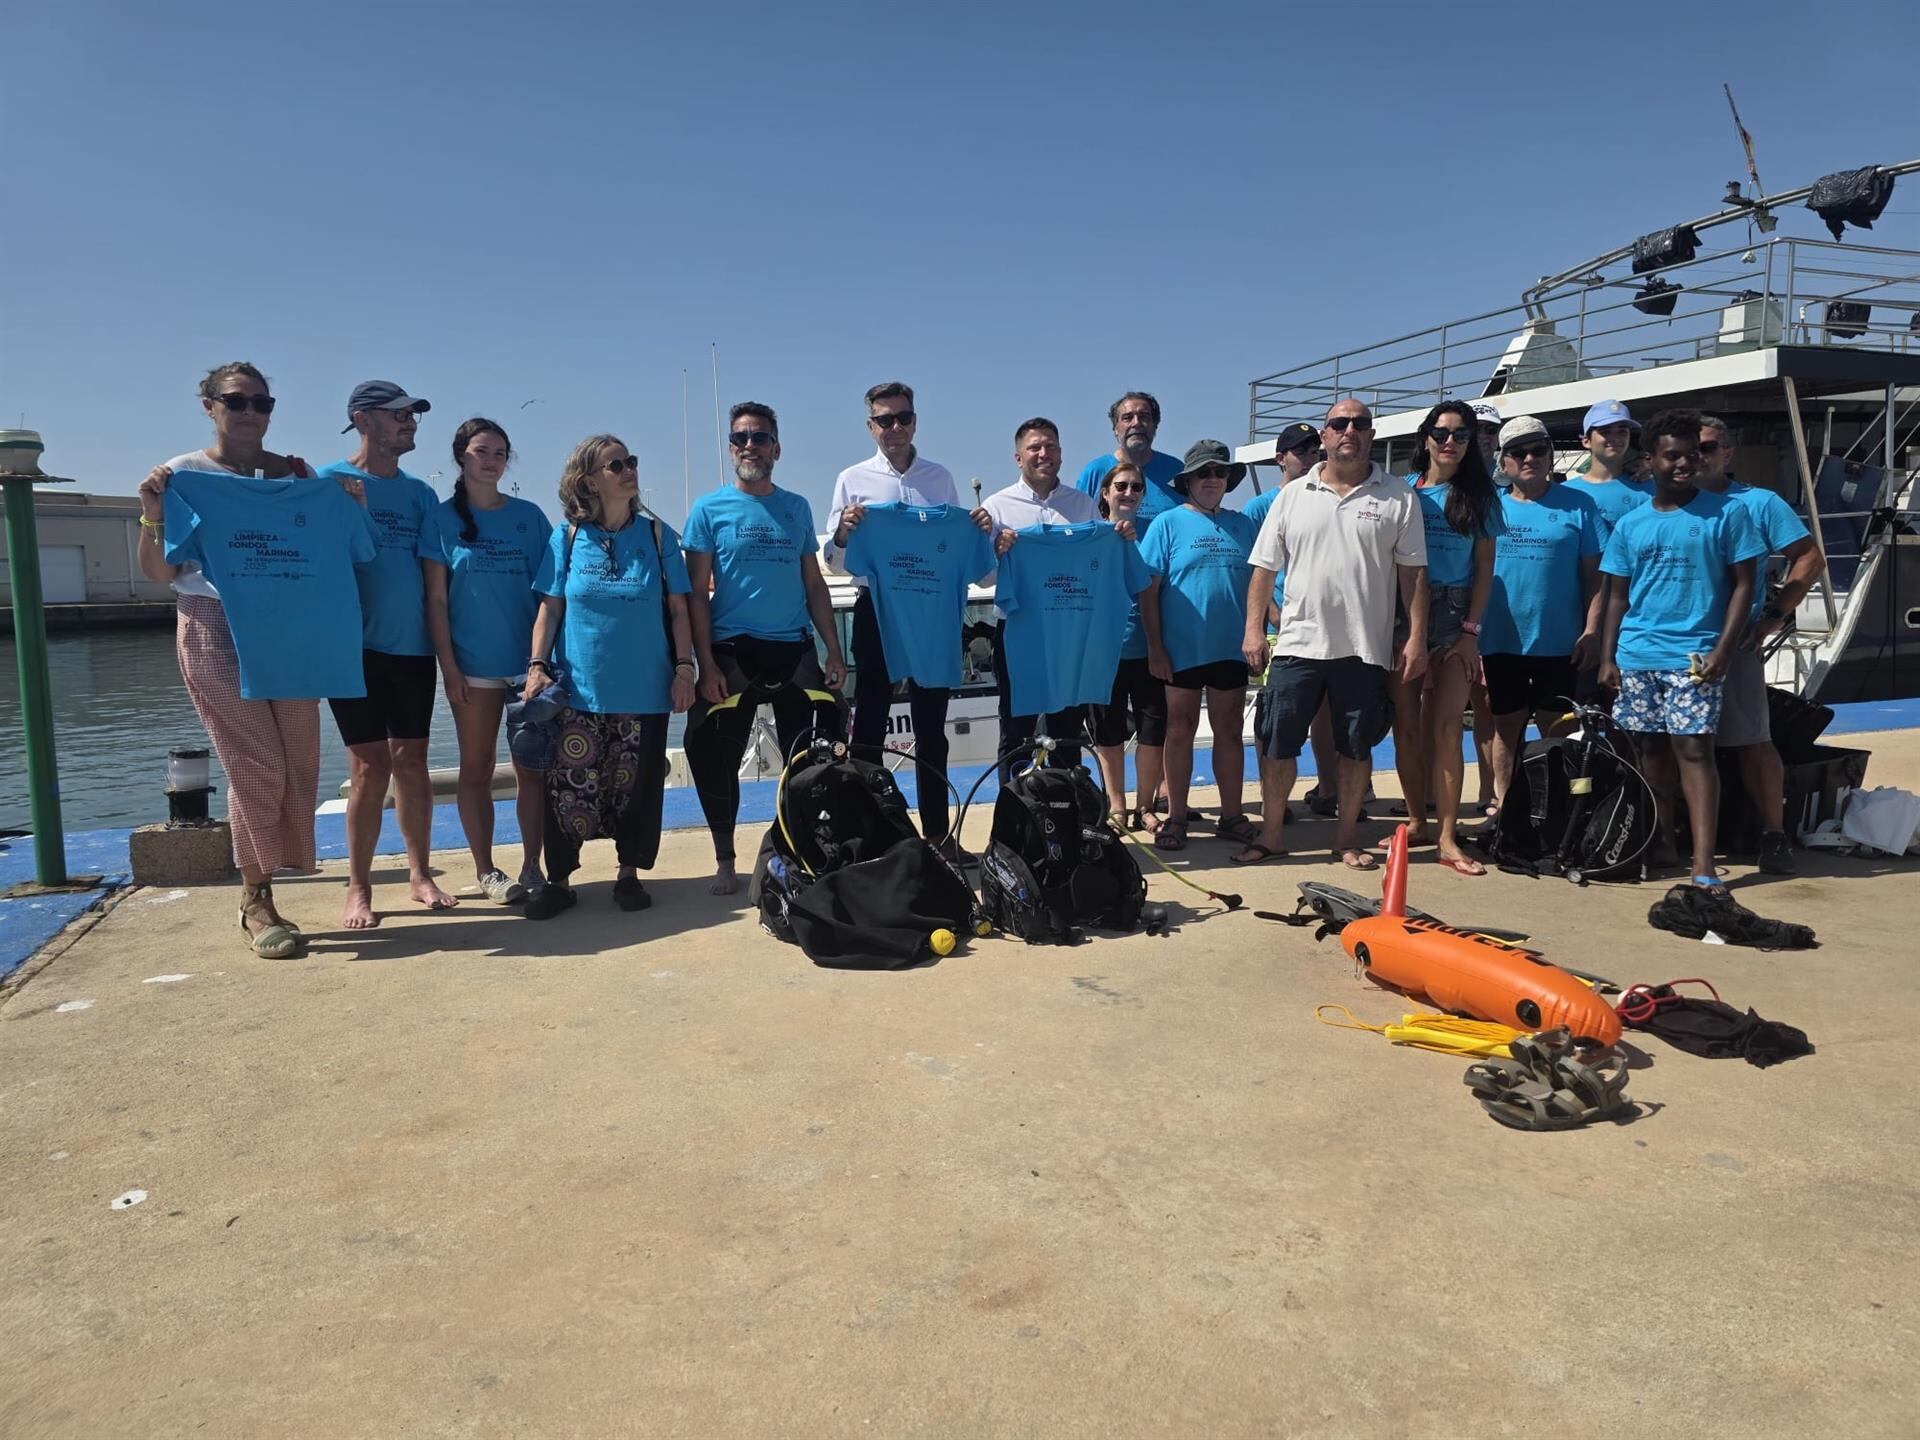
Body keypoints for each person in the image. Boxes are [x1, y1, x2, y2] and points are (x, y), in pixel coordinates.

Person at [136, 362, 357, 958]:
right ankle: (255, 900)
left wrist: (340, 501)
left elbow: (330, 546)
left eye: (263, 403)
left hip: (290, 628)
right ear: (209, 405)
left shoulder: (292, 474)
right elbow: (159, 572)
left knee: (299, 761)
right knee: (255, 765)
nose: (252, 413)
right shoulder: (184, 475)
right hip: (215, 625)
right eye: (238, 401)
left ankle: (274, 874)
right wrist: (154, 513)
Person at [1241, 399, 1427, 870]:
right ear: (1325, 435)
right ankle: (1272, 834)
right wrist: (1253, 630)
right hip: (1298, 644)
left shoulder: (1399, 495)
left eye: (1360, 424)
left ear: (1371, 434)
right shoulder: (1291, 495)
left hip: (1364, 646)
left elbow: (1414, 574)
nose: (1350, 430)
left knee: (1355, 747)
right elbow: (1264, 568)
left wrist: (1417, 636)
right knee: (1279, 744)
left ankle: (1346, 839)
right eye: (1339, 423)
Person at [523, 436, 695, 919]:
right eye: (615, 465)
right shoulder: (568, 537)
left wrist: (685, 668)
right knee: (567, 787)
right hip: (578, 688)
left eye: (631, 462)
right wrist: (537, 667)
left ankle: (628, 875)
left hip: (644, 687)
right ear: (589, 480)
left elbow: (679, 610)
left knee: (636, 787)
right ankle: (559, 881)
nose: (628, 471)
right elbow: (550, 608)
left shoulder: (659, 537)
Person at [683, 402, 848, 895]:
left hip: (793, 649)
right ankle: (725, 859)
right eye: (739, 438)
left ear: (776, 447)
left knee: (812, 754)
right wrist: (703, 662)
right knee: (712, 751)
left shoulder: (796, 507)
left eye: (758, 437)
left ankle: (800, 846)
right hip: (732, 652)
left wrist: (833, 651)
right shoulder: (708, 509)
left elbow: (814, 583)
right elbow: (694, 594)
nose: (748, 446)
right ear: (730, 447)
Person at [1598, 409, 1763, 889]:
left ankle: (1704, 862)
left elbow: (1744, 586)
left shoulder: (1729, 514)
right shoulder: (1631, 524)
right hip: (1638, 655)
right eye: (1672, 456)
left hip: (1693, 657)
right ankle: (1662, 841)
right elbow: (1618, 596)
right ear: (1650, 461)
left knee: (1695, 752)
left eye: (1692, 454)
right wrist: (1609, 657)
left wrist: (1723, 650)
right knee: (1649, 752)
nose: (1684, 464)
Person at [823, 381, 991, 848]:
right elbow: (836, 564)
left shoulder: (940, 479)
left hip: (933, 612)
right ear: (870, 425)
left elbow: (954, 547)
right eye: (884, 419)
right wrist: (841, 534)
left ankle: (938, 834)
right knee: (871, 724)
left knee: (932, 728)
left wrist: (974, 527)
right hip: (877, 609)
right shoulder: (850, 479)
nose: (894, 427)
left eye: (902, 417)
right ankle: (874, 835)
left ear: (915, 420)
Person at [318, 380, 452, 930]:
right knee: (370, 767)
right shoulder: (328, 483)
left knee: (412, 762)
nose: (410, 423)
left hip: (413, 648)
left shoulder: (420, 495)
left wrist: (449, 653)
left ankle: (420, 875)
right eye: (399, 415)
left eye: (413, 415)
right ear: (363, 420)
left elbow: (435, 578)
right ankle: (359, 887)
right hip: (353, 649)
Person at [421, 417, 552, 906]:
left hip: (527, 669)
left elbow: (549, 596)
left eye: (500, 452)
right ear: (461, 456)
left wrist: (542, 662)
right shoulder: (439, 520)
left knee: (530, 770)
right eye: (482, 451)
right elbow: (435, 601)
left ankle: (533, 865)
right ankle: (486, 870)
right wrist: (448, 667)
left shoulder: (530, 517)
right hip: (471, 666)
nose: (492, 460)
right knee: (474, 768)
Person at [1695, 414, 1823, 874]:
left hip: (1736, 648)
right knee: (1677, 747)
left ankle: (1773, 833)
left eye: (1708, 447)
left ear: (1727, 453)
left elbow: (1808, 557)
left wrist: (1774, 616)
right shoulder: (1663, 501)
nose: (1698, 456)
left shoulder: (1759, 503)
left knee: (1753, 742)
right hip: (1671, 646)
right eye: (1691, 448)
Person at [1389, 402, 1501, 875]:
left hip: (1455, 614)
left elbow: (1484, 569)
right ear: (1426, 438)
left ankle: (1449, 836)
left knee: (1448, 727)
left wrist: (1472, 632)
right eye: (1440, 433)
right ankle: (1418, 819)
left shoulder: (1480, 497)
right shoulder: (1403, 493)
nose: (1449, 441)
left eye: (1459, 434)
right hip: (1401, 609)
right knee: (1406, 726)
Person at [1138, 440, 1260, 853]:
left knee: (1230, 730)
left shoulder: (1243, 524)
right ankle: (1176, 816)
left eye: (1219, 473)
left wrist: (1265, 629)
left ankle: (1231, 815)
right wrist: (1156, 647)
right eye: (1204, 473)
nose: (1212, 479)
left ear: (1228, 480)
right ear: (1188, 480)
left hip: (1232, 647)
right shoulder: (1167, 524)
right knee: (1179, 731)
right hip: (1181, 648)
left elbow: (1261, 585)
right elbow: (1148, 592)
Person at [1478, 416, 1603, 810]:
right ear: (1504, 461)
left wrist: (1592, 631)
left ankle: (1557, 812)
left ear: (1550, 455)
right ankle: (1507, 808)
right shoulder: (1489, 506)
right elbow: (1472, 574)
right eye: (1518, 452)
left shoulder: (1580, 505)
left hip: (1560, 643)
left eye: (1538, 450)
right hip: (1501, 641)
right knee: (1506, 729)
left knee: (1558, 730)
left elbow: (1596, 578)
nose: (1529, 458)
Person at [982, 418, 1101, 776]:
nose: (1043, 453)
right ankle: (1014, 824)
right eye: (1034, 447)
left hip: (1070, 635)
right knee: (1017, 731)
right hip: (1019, 633)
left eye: (1050, 446)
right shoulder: (997, 506)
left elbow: (1096, 567)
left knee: (1067, 732)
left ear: (1061, 454)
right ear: (1019, 457)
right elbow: (983, 577)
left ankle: (1067, 817)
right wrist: (998, 553)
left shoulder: (1083, 506)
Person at [1087, 461, 1167, 829]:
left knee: (1153, 731)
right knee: (1108, 732)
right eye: (1121, 486)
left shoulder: (1156, 531)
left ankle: (1145, 806)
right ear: (1106, 493)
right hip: (1103, 653)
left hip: (1150, 648)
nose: (1129, 493)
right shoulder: (1090, 534)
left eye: (1136, 487)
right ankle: (1117, 805)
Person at [1074, 391, 1184, 525]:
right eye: (1127, 417)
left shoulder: (1176, 471)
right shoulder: (1094, 472)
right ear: (1115, 428)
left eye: (1144, 417)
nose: (1136, 423)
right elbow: (1078, 526)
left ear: (1155, 426)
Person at [1471, 402, 1504, 472]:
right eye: (1476, 429)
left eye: (1491, 429)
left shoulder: (1512, 470)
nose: (1482, 436)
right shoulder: (1447, 472)